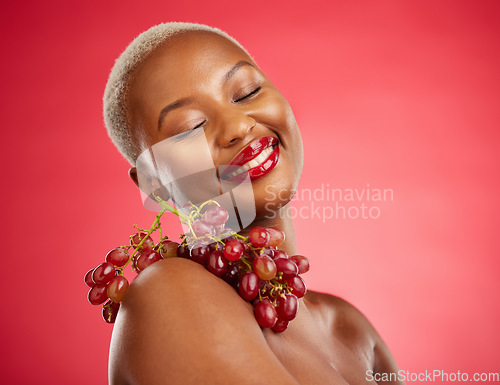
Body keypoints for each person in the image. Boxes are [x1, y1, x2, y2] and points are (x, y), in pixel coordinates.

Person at [103, 22, 403, 385]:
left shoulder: (352, 331)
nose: (237, 126)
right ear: (155, 184)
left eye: (247, 92)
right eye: (191, 126)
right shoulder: (169, 296)